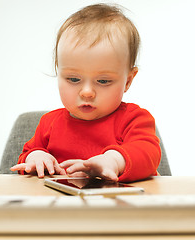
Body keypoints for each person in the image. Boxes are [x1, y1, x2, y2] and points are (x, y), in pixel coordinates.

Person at [10, 3, 161, 182]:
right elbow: (28, 154)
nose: (87, 92)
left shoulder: (134, 120)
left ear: (128, 80)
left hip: (119, 207)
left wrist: (113, 160)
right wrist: (35, 158)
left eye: (103, 81)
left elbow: (147, 154)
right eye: (73, 79)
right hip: (62, 207)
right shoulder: (48, 123)